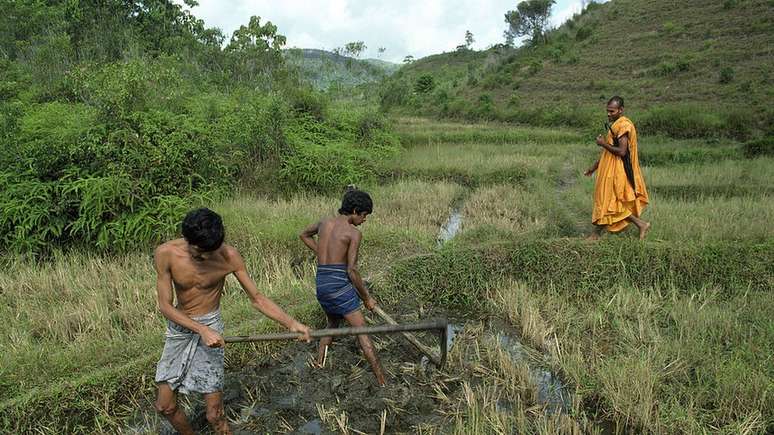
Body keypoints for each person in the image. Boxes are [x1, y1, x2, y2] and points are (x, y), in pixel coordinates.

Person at [153, 208, 311, 435]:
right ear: (187, 239)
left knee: (214, 414)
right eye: (197, 252)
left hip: (211, 324)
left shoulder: (229, 257)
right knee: (165, 406)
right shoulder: (166, 253)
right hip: (181, 329)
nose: (203, 257)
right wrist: (201, 330)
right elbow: (165, 306)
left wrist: (291, 323)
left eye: (209, 251)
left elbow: (257, 298)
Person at [299, 187, 386, 386]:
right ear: (355, 211)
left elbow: (303, 234)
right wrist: (367, 298)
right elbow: (352, 271)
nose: (365, 220)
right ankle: (382, 381)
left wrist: (321, 253)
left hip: (322, 284)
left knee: (332, 325)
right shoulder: (353, 233)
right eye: (364, 216)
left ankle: (319, 364)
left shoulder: (324, 223)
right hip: (338, 285)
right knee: (361, 330)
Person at [584, 96, 651, 240]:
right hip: (608, 169)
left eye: (612, 111)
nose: (609, 114)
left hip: (617, 171)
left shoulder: (623, 125)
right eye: (607, 111)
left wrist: (602, 143)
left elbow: (621, 151)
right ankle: (641, 225)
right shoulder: (615, 125)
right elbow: (607, 153)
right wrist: (593, 168)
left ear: (621, 110)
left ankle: (595, 235)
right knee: (608, 201)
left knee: (610, 202)